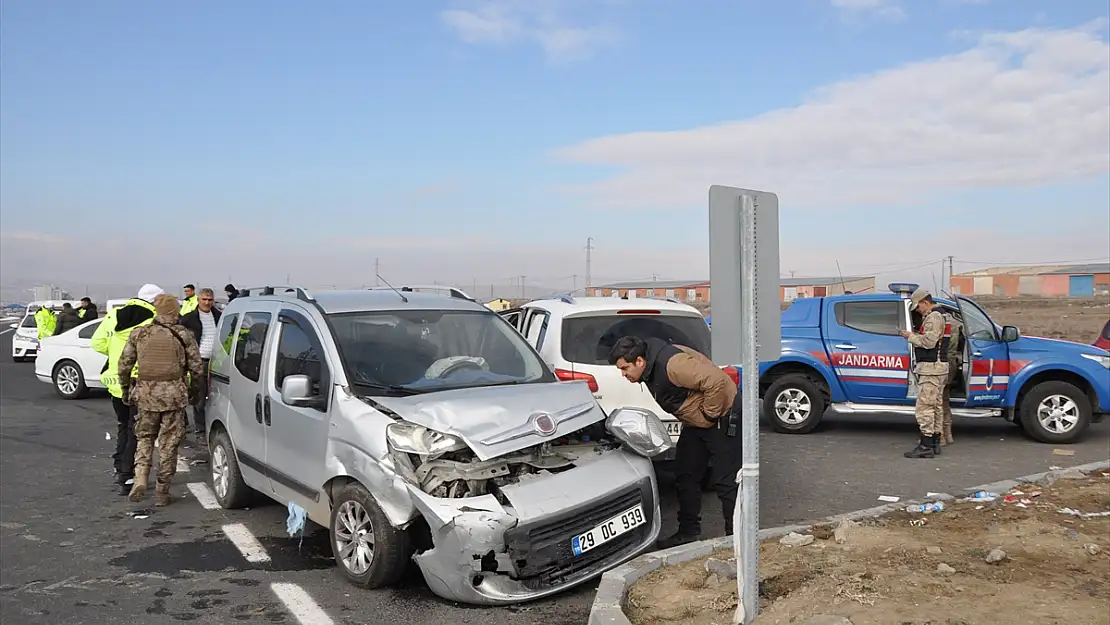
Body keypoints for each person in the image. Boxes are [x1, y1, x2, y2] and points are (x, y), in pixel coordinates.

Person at [608, 336, 741, 549]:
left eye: (625, 368)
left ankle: (736, 540)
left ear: (640, 361)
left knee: (726, 482)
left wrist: (709, 416)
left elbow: (716, 381)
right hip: (697, 424)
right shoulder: (651, 367)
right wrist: (700, 419)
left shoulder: (673, 365)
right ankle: (688, 532)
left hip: (722, 420)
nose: (623, 374)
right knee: (686, 475)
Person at [119, 294, 204, 506]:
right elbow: (196, 367)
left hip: (146, 394)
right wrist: (194, 391)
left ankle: (140, 477)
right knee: (169, 443)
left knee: (145, 437)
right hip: (174, 395)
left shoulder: (140, 333)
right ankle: (162, 491)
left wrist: (125, 390)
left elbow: (124, 364)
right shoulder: (183, 334)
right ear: (175, 311)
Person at [91, 284, 162, 495]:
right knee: (136, 430)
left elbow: (97, 343)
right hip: (138, 380)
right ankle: (127, 476)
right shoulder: (152, 319)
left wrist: (115, 354)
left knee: (123, 425)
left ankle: (119, 465)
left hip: (114, 380)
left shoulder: (114, 315)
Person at [900, 288, 950, 459]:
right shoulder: (942, 315)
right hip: (939, 368)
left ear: (925, 302)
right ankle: (935, 442)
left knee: (925, 408)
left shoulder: (933, 317)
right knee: (936, 406)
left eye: (918, 307)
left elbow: (929, 342)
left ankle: (925, 445)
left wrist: (910, 336)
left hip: (931, 369)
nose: (918, 311)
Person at [179, 288, 221, 451]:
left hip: (217, 362)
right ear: (198, 300)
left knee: (216, 398)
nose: (207, 302)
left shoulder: (220, 316)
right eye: (204, 299)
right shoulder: (189, 319)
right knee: (199, 399)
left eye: (210, 300)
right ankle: (200, 432)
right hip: (198, 362)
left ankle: (213, 429)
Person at [940, 309, 964, 447]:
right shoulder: (954, 324)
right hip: (952, 364)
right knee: (945, 400)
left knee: (937, 402)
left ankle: (941, 436)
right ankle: (948, 434)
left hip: (942, 363)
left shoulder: (940, 323)